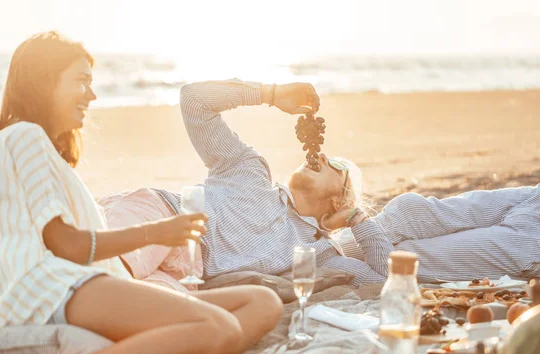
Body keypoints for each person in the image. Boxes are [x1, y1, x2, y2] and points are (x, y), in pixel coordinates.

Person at [0, 32, 283, 354]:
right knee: (220, 328)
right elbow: (67, 246)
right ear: (44, 81)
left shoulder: (38, 151)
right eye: (81, 81)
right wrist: (155, 233)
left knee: (263, 303)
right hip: (56, 291)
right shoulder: (23, 137)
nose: (92, 95)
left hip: (85, 286)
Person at [101, 79, 540, 286]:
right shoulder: (248, 170)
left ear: (339, 198)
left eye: (336, 165)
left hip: (186, 276)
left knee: (118, 307)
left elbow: (382, 280)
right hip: (161, 215)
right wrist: (271, 95)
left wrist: (359, 220)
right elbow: (193, 100)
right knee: (98, 269)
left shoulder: (318, 253)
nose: (322, 155)